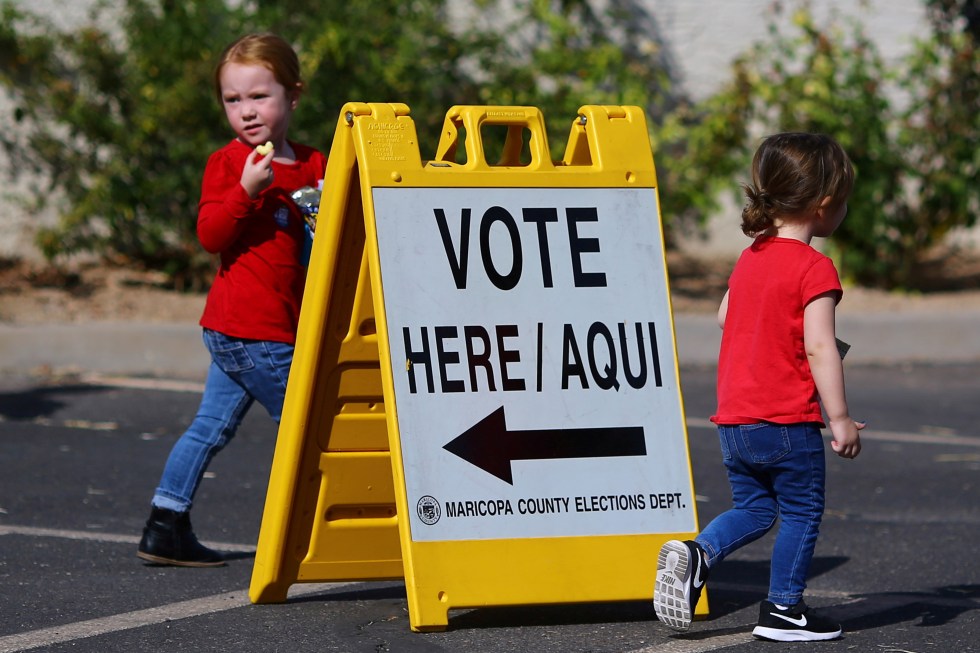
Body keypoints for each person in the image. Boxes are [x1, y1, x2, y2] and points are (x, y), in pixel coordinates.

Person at [653, 132, 864, 641]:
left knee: (756, 508)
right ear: (825, 205)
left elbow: (728, 316)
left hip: (736, 421)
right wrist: (838, 420)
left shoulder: (753, 255)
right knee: (800, 510)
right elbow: (817, 348)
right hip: (786, 422)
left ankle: (699, 552)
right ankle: (785, 610)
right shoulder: (815, 267)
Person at [137, 33, 327, 567]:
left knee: (210, 426)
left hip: (263, 328)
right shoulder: (228, 164)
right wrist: (245, 191)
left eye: (259, 97)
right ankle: (321, 531)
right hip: (250, 329)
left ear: (293, 95)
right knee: (310, 426)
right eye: (232, 100)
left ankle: (165, 525)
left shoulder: (315, 164)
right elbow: (210, 235)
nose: (245, 112)